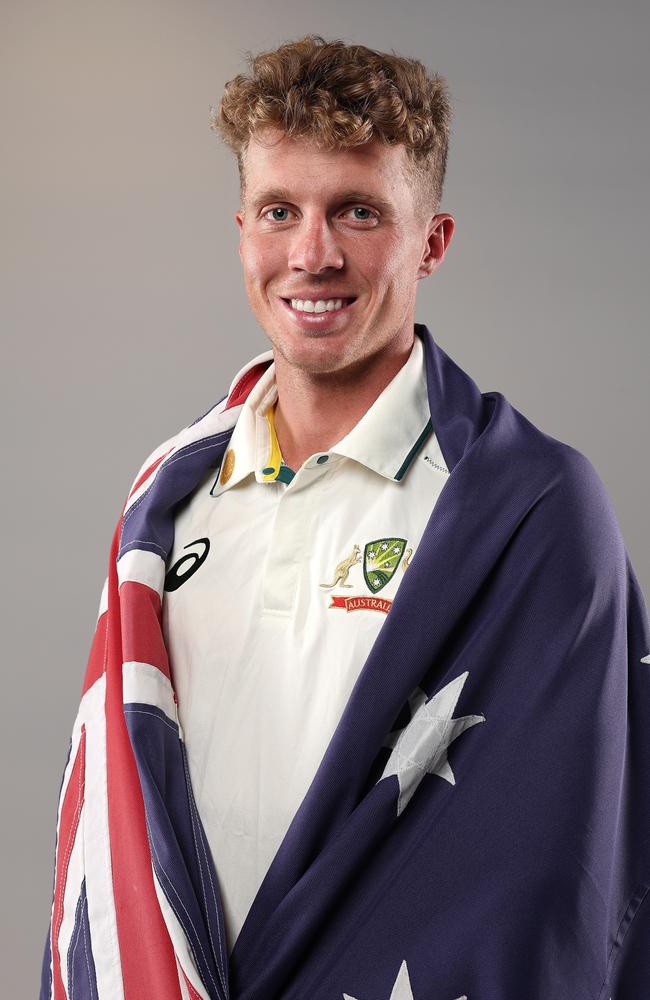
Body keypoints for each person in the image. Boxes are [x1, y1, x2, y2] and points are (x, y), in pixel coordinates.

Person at [40, 35, 650, 1000]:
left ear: (432, 242)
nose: (311, 255)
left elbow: (560, 883)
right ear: (242, 230)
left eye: (358, 212)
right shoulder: (163, 504)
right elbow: (112, 846)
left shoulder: (530, 509)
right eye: (280, 211)